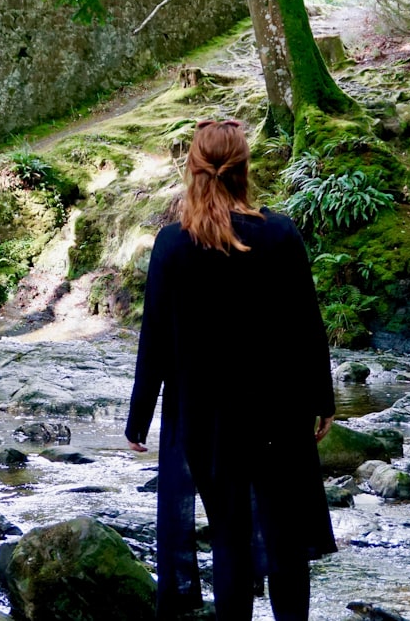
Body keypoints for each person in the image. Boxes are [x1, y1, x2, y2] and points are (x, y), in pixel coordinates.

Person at [126, 119, 336, 621]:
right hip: (277, 414)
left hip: (205, 419)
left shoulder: (172, 245)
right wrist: (322, 402)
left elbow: (153, 337)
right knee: (285, 535)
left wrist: (139, 418)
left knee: (229, 534)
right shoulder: (281, 234)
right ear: (245, 170)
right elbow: (309, 327)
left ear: (192, 171)